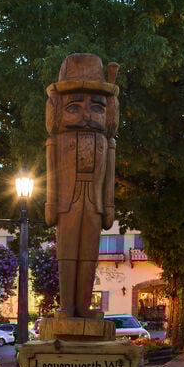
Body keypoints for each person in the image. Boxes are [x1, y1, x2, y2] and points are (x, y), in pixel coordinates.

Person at [44, 53, 119, 318]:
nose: (87, 113)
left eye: (97, 107)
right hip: (66, 203)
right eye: (74, 106)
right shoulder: (57, 141)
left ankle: (84, 307)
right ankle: (67, 307)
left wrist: (109, 204)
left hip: (95, 203)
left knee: (89, 254)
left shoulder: (107, 143)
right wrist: (50, 203)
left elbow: (108, 176)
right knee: (66, 255)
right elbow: (52, 172)